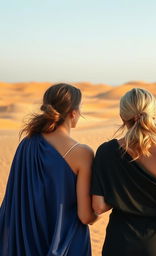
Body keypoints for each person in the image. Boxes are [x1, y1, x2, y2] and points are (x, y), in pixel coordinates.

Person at [0, 83, 97, 256]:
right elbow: (85, 216)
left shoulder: (26, 145)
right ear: (73, 113)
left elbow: (13, 200)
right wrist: (97, 213)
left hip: (27, 242)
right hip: (67, 245)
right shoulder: (83, 153)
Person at [91, 88, 156, 256]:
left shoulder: (105, 151)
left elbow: (98, 207)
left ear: (122, 116)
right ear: (154, 114)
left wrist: (121, 197)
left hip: (118, 244)